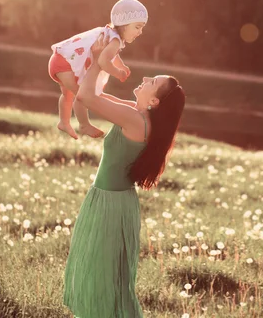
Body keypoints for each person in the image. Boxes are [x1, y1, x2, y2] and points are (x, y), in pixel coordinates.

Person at [63, 34, 186, 318]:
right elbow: (92, 92)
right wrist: (100, 60)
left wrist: (98, 61)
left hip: (111, 207)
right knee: (104, 277)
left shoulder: (136, 121)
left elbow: (86, 97)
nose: (145, 78)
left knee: (105, 279)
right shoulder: (136, 114)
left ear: (154, 101)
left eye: (151, 82)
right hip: (109, 201)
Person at [48, 0, 148, 139]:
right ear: (124, 24)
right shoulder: (115, 40)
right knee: (81, 95)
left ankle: (64, 122)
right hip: (66, 64)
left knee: (67, 94)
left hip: (59, 60)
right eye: (137, 27)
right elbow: (103, 61)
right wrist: (117, 72)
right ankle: (84, 125)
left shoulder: (110, 34)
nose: (140, 32)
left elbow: (112, 56)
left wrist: (121, 65)